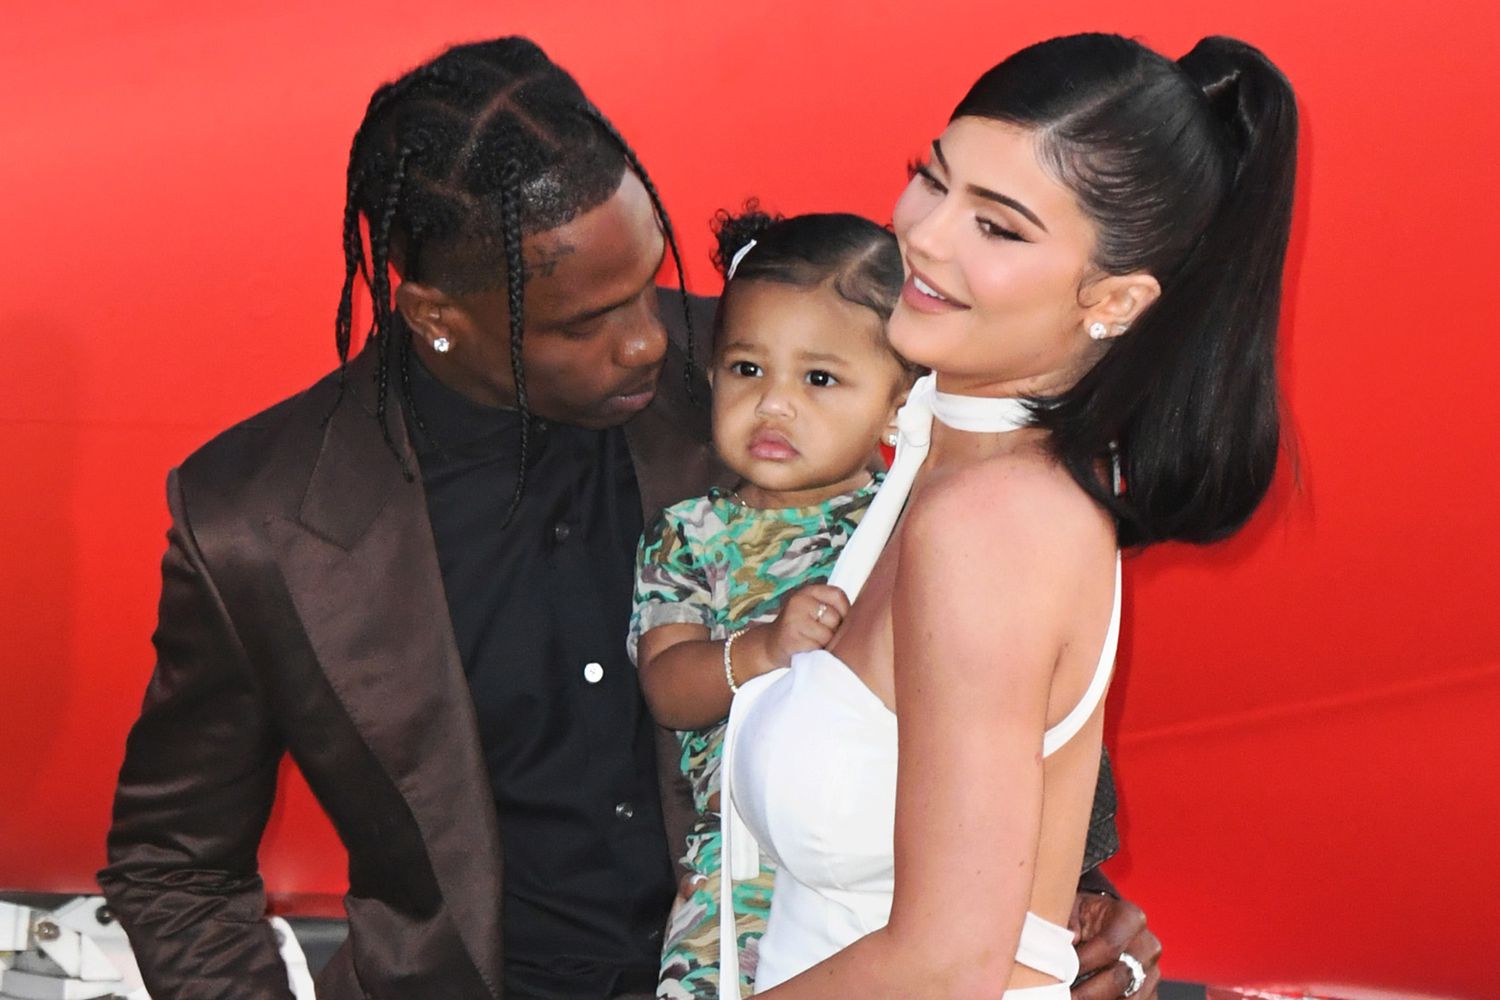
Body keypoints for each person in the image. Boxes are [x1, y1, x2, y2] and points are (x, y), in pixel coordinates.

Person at [98, 36, 1159, 1000]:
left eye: (649, 282)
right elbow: (175, 864)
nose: (652, 341)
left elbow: (978, 627)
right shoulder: (260, 516)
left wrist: (1068, 897)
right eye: (586, 321)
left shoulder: (778, 375)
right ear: (436, 313)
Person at [719, 32, 1295, 1000]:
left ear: (1112, 300)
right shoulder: (934, 423)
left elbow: (947, 962)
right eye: (931, 179)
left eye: (1000, 226)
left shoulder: (992, 522)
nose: (926, 233)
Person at [628, 207, 914, 999]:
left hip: (899, 877)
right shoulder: (690, 535)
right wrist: (760, 648)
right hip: (740, 881)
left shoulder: (915, 526)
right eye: (748, 370)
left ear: (899, 405)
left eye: (819, 379)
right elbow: (668, 689)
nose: (776, 404)